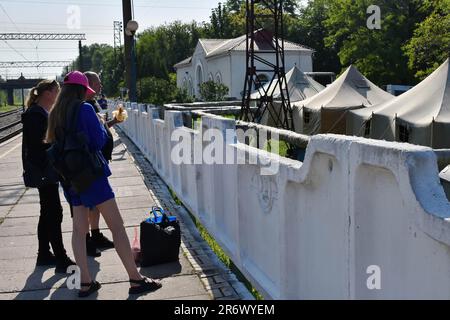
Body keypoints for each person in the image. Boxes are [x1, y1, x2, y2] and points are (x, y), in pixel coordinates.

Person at [46, 71, 161, 297]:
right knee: (117, 227)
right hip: (93, 177)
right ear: (81, 90)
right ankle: (136, 279)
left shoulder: (55, 114)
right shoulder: (85, 109)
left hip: (70, 179)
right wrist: (100, 124)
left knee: (79, 231)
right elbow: (99, 142)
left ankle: (85, 283)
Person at [21, 79, 76, 273]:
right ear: (47, 94)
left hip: (45, 170)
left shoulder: (40, 113)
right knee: (54, 213)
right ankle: (60, 258)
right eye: (56, 92)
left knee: (47, 213)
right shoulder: (35, 115)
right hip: (44, 170)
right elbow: (39, 146)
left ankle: (44, 254)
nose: (58, 95)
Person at [83, 71, 122, 258]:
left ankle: (95, 234)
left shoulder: (92, 103)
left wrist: (114, 121)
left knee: (94, 206)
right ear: (88, 84)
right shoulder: (85, 106)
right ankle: (87, 239)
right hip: (90, 164)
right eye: (98, 83)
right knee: (89, 205)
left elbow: (101, 128)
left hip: (99, 160)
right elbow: (96, 134)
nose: (101, 86)